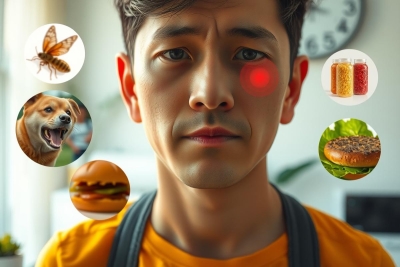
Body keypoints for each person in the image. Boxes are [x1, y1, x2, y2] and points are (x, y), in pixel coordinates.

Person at [36, 0, 395, 266]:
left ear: (291, 89)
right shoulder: (68, 261)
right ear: (131, 90)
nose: (210, 94)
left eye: (250, 54)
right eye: (175, 53)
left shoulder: (364, 262)